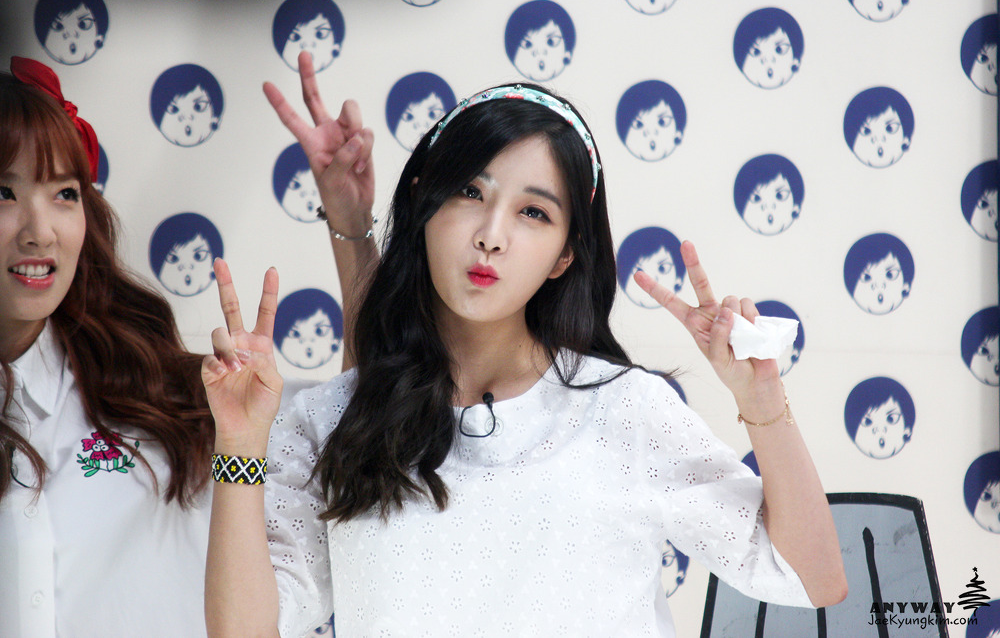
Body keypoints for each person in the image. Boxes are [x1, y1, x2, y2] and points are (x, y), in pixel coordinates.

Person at [203, 54, 846, 636]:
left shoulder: (628, 410)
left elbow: (813, 580)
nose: (492, 234)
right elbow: (245, 630)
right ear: (424, 203)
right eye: (470, 192)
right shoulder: (331, 418)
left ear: (566, 254)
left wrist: (763, 401)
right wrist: (238, 448)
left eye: (533, 212)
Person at [0, 57, 216, 636]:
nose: (40, 232)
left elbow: (355, 437)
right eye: (4, 192)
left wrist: (349, 229)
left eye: (64, 194)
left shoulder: (164, 396)